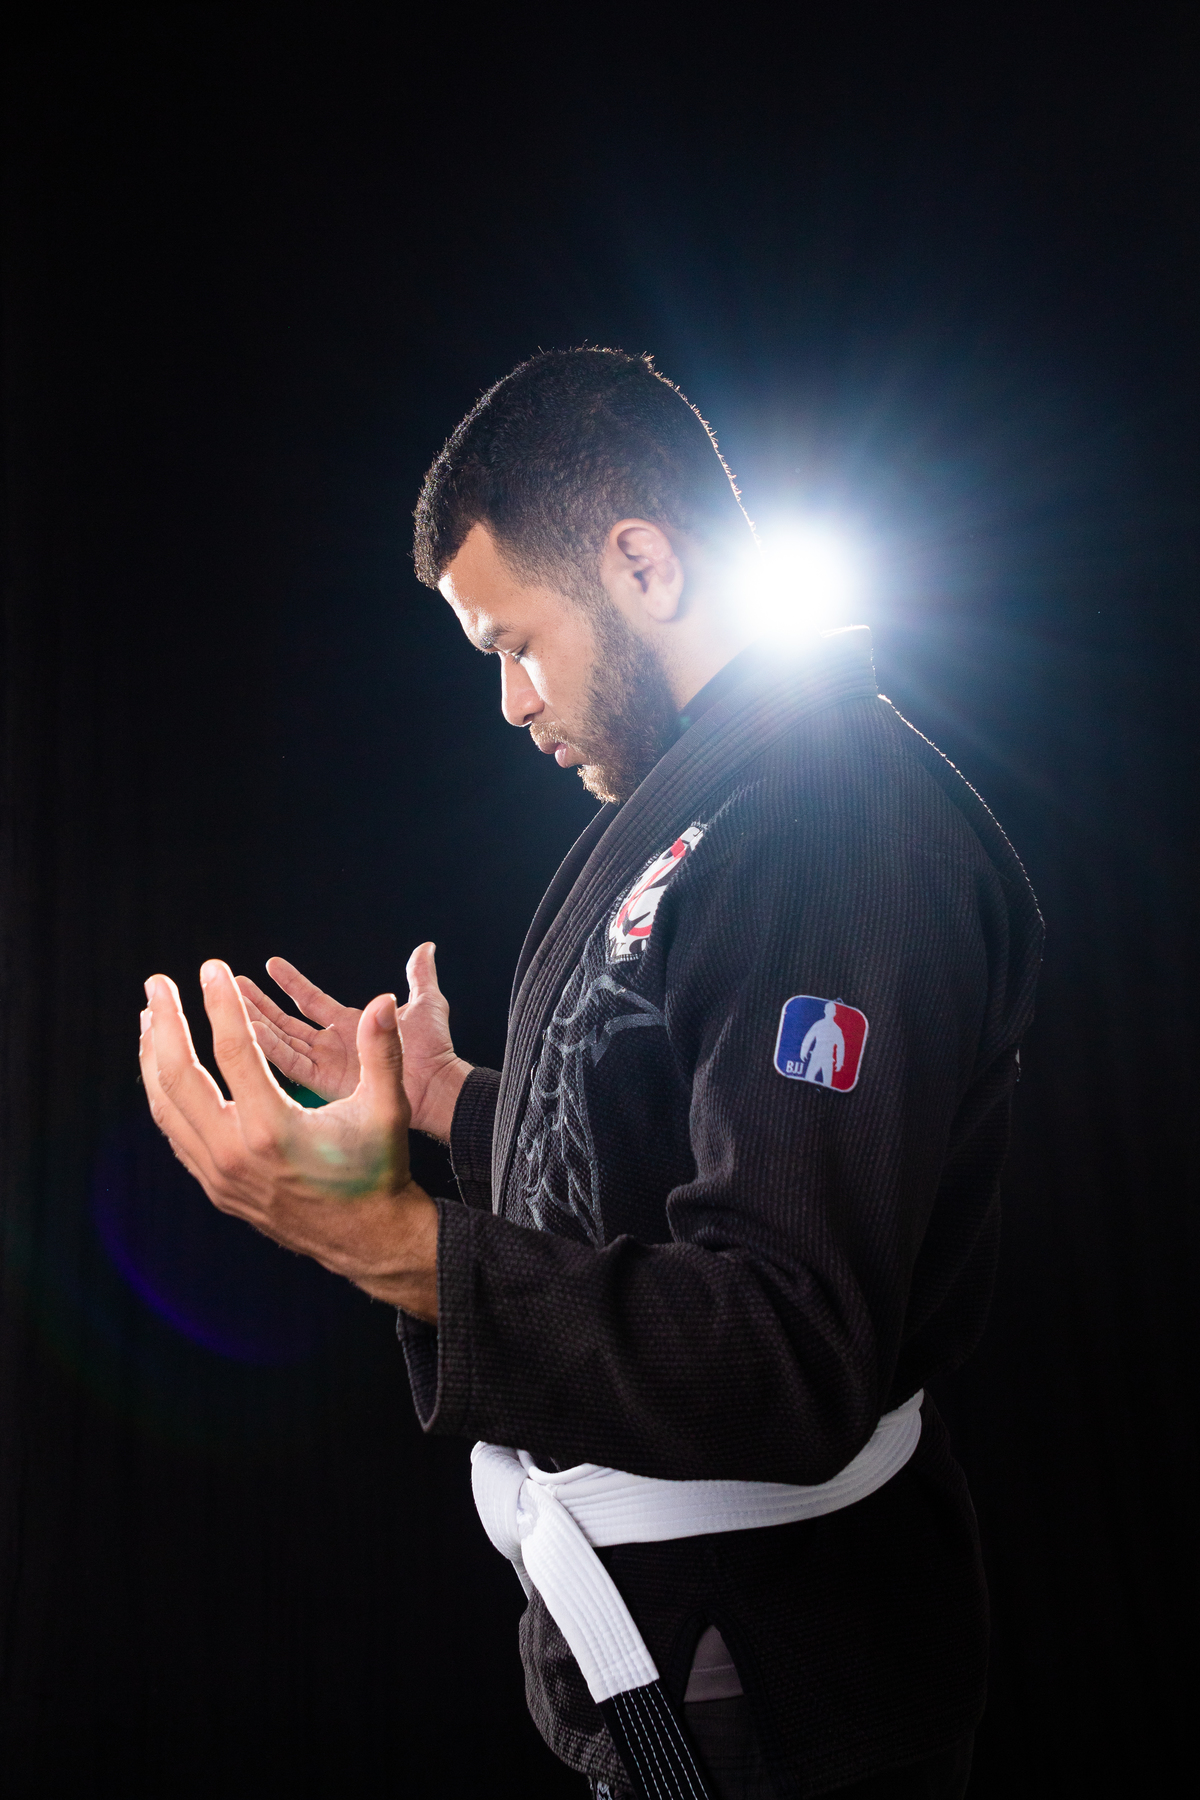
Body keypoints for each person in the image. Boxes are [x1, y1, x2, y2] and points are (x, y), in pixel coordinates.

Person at [140, 348, 1042, 1800]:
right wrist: (456, 1103)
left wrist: (384, 1240)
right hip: (678, 1642)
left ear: (640, 563)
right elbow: (694, 1131)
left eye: (515, 644)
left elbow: (785, 1346)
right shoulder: (725, 796)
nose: (511, 703)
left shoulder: (834, 829)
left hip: (769, 1672)